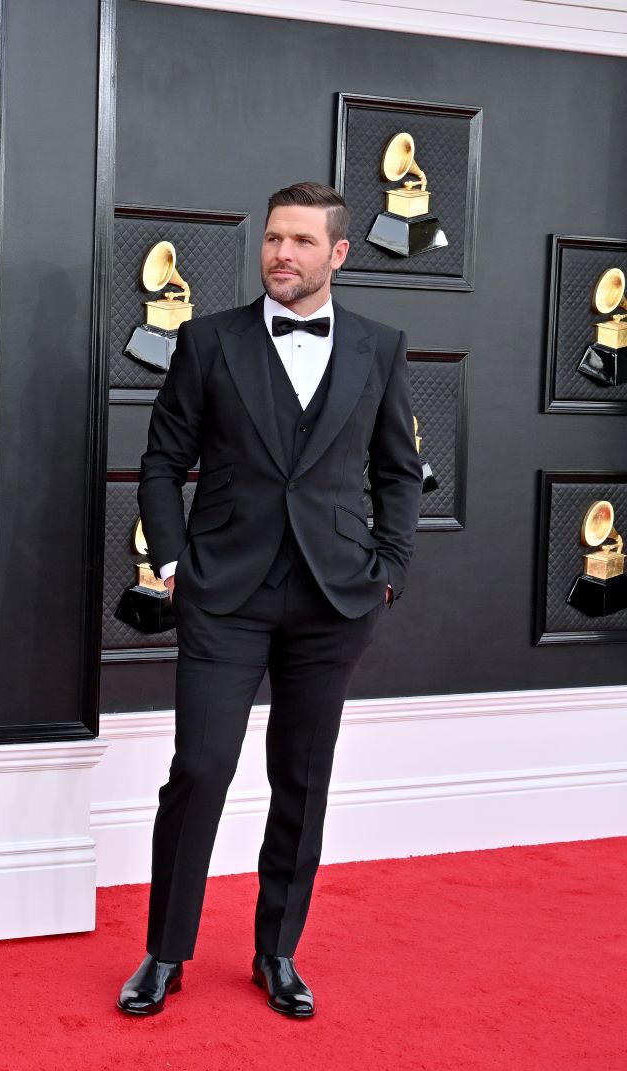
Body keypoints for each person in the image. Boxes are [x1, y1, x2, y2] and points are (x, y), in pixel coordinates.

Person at [117, 181, 422, 1019]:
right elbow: (158, 463)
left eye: (299, 241)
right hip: (225, 591)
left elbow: (398, 471)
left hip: (335, 597)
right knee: (201, 769)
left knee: (303, 777)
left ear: (339, 254)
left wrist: (389, 566)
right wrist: (173, 561)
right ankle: (165, 953)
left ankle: (276, 953)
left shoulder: (380, 346)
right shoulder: (209, 341)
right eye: (272, 239)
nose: (281, 253)